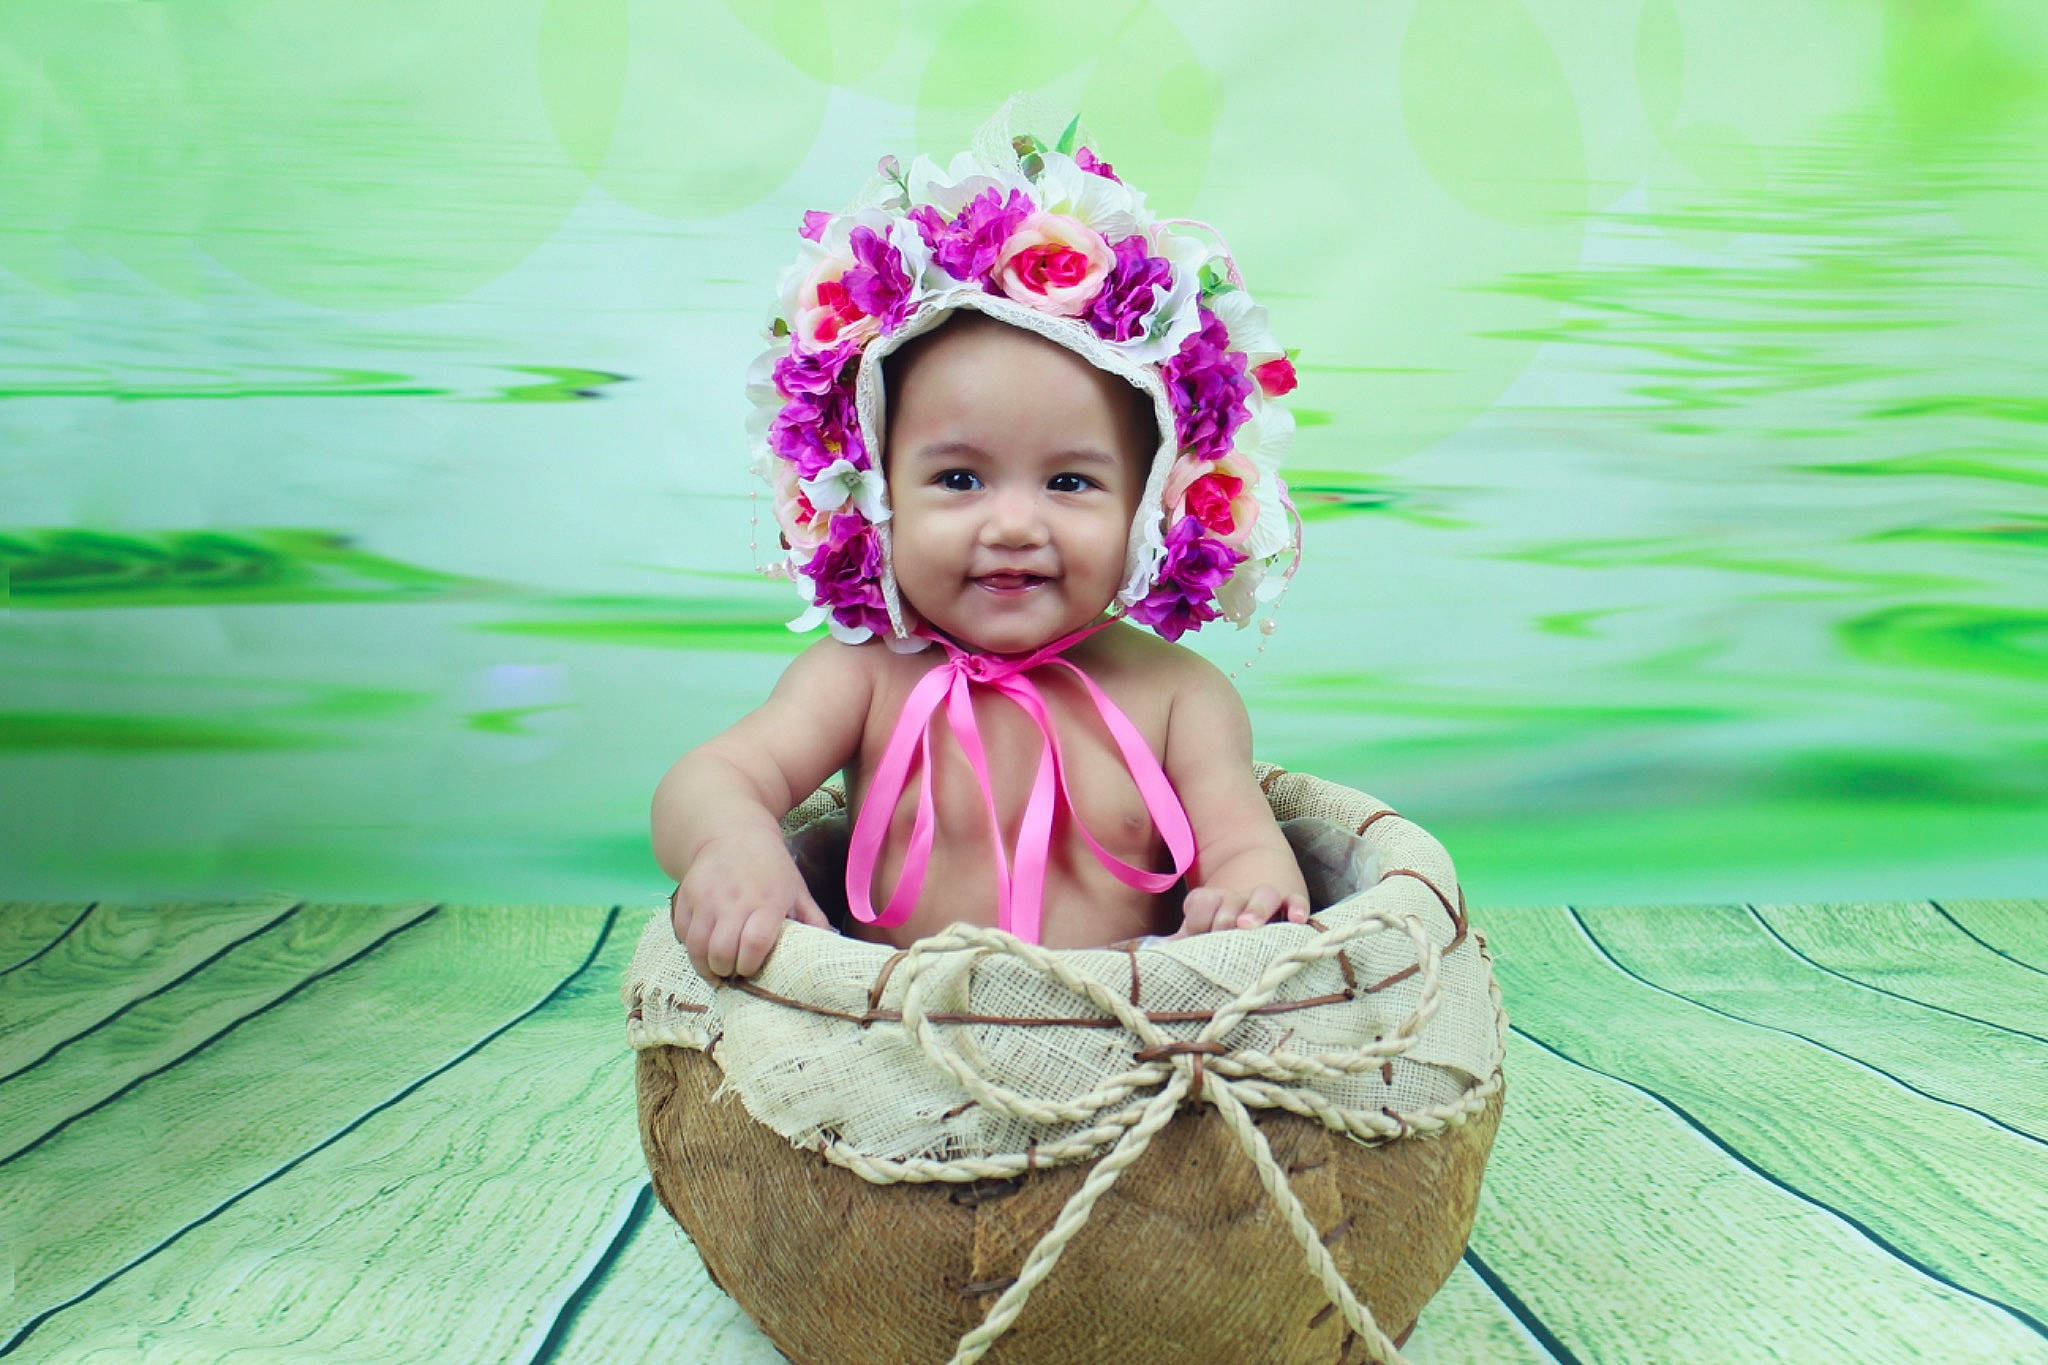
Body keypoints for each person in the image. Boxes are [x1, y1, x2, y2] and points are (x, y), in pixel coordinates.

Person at [651, 98, 1310, 983]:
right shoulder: (863, 674)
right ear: (874, 491)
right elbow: (708, 777)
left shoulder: (1177, 695)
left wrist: (1250, 890)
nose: (1011, 525)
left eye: (1071, 482)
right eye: (959, 479)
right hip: (897, 1036)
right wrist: (733, 843)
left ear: (1152, 506)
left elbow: (1242, 849)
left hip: (1124, 1035)